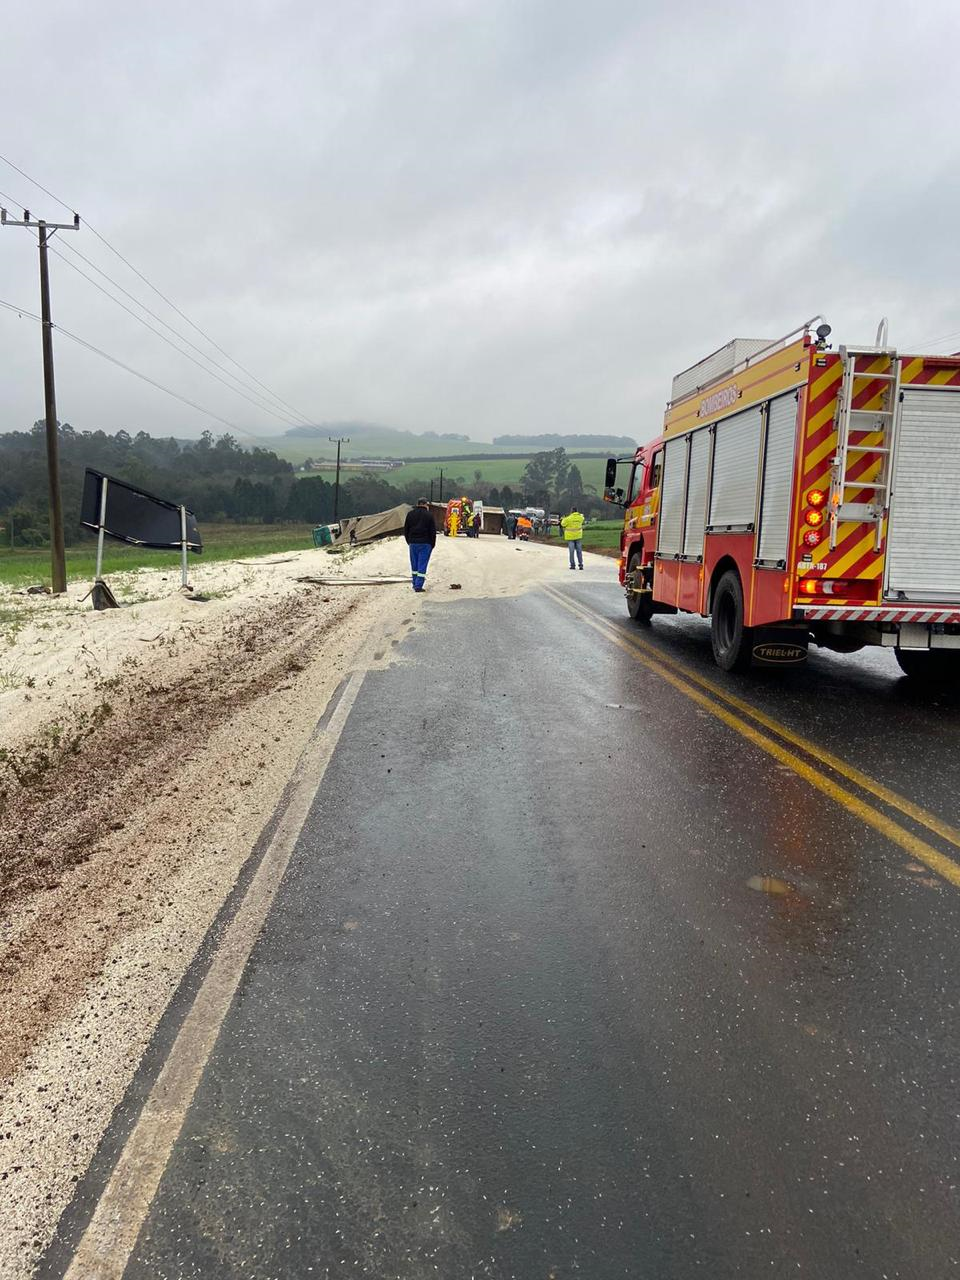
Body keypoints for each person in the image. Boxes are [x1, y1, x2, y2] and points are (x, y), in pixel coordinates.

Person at [403, 498, 437, 592]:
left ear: (417, 504)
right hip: (425, 543)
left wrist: (409, 541)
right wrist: (432, 544)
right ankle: (418, 585)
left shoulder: (410, 514)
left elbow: (406, 529)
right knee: (422, 565)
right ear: (426, 505)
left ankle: (414, 583)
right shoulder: (429, 515)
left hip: (413, 543)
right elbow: (432, 532)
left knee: (414, 565)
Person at [560, 505, 585, 570]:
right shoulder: (580, 517)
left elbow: (562, 524)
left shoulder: (568, 518)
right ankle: (581, 565)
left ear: (571, 511)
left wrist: (563, 519)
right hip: (578, 536)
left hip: (570, 537)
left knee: (571, 552)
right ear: (577, 511)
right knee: (579, 551)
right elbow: (582, 520)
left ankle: (572, 565)